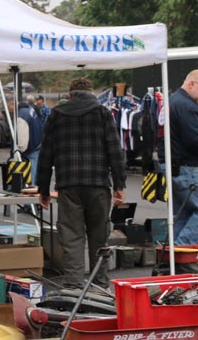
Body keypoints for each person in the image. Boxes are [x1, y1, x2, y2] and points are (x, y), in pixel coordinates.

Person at [36, 77, 126, 288]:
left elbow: (46, 154)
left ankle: (75, 288)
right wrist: (119, 185)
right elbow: (115, 151)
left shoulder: (57, 114)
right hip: (98, 184)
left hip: (68, 185)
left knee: (72, 237)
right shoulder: (103, 113)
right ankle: (100, 286)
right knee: (99, 237)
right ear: (91, 92)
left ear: (70, 94)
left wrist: (43, 189)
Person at [162, 69, 198, 245]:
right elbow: (196, 139)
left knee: (184, 213)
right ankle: (181, 251)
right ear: (191, 83)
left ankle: (169, 258)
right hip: (189, 167)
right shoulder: (187, 106)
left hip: (174, 165)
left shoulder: (172, 102)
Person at [15, 99, 43, 183]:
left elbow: (22, 140)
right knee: (35, 170)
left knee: (30, 176)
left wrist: (19, 151)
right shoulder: (30, 110)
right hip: (38, 143)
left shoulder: (21, 115)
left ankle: (31, 188)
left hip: (30, 149)